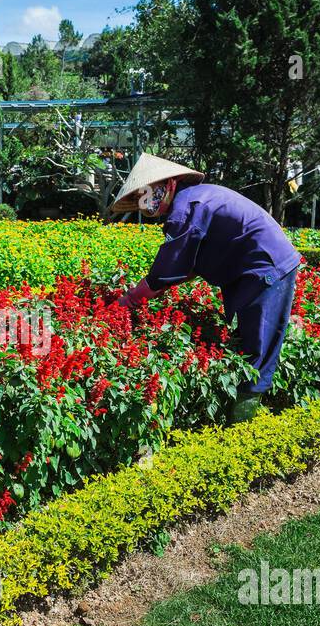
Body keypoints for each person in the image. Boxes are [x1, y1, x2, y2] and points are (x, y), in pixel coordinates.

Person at [112, 153, 301, 423]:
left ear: (170, 183)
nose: (146, 201)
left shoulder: (186, 207)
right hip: (254, 266)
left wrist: (130, 300)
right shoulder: (194, 199)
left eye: (149, 192)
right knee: (248, 339)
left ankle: (243, 424)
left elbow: (166, 270)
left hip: (265, 267)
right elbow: (187, 266)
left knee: (258, 345)